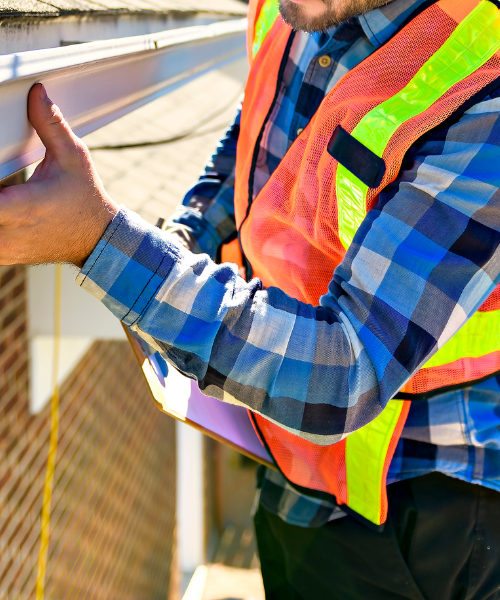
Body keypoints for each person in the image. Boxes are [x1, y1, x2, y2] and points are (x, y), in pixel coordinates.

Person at [3, 0, 500, 597]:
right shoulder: (291, 9)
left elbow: (346, 368)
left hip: (415, 508)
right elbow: (259, 132)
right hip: (285, 456)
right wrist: (186, 236)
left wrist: (103, 243)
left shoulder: (483, 79)